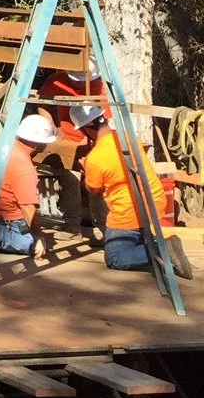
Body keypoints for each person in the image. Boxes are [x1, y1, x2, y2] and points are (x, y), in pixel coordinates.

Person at [73, 102, 193, 278]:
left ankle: (163, 249)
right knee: (139, 236)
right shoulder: (129, 138)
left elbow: (93, 189)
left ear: (86, 128)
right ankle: (156, 244)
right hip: (156, 202)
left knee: (116, 257)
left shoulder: (95, 158)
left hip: (129, 212)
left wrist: (86, 169)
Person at [35, 66, 106, 230]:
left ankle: (102, 230)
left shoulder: (101, 88)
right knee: (70, 180)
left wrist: (95, 150)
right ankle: (72, 227)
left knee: (97, 185)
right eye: (76, 81)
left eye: (83, 82)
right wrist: (50, 124)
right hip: (68, 140)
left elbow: (105, 125)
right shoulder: (56, 80)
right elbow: (42, 101)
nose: (79, 85)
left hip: (95, 143)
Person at [0, 113, 58, 259]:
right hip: (6, 218)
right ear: (35, 143)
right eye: (45, 142)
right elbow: (28, 207)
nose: (46, 146)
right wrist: (39, 236)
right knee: (33, 245)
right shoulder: (24, 168)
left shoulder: (5, 149)